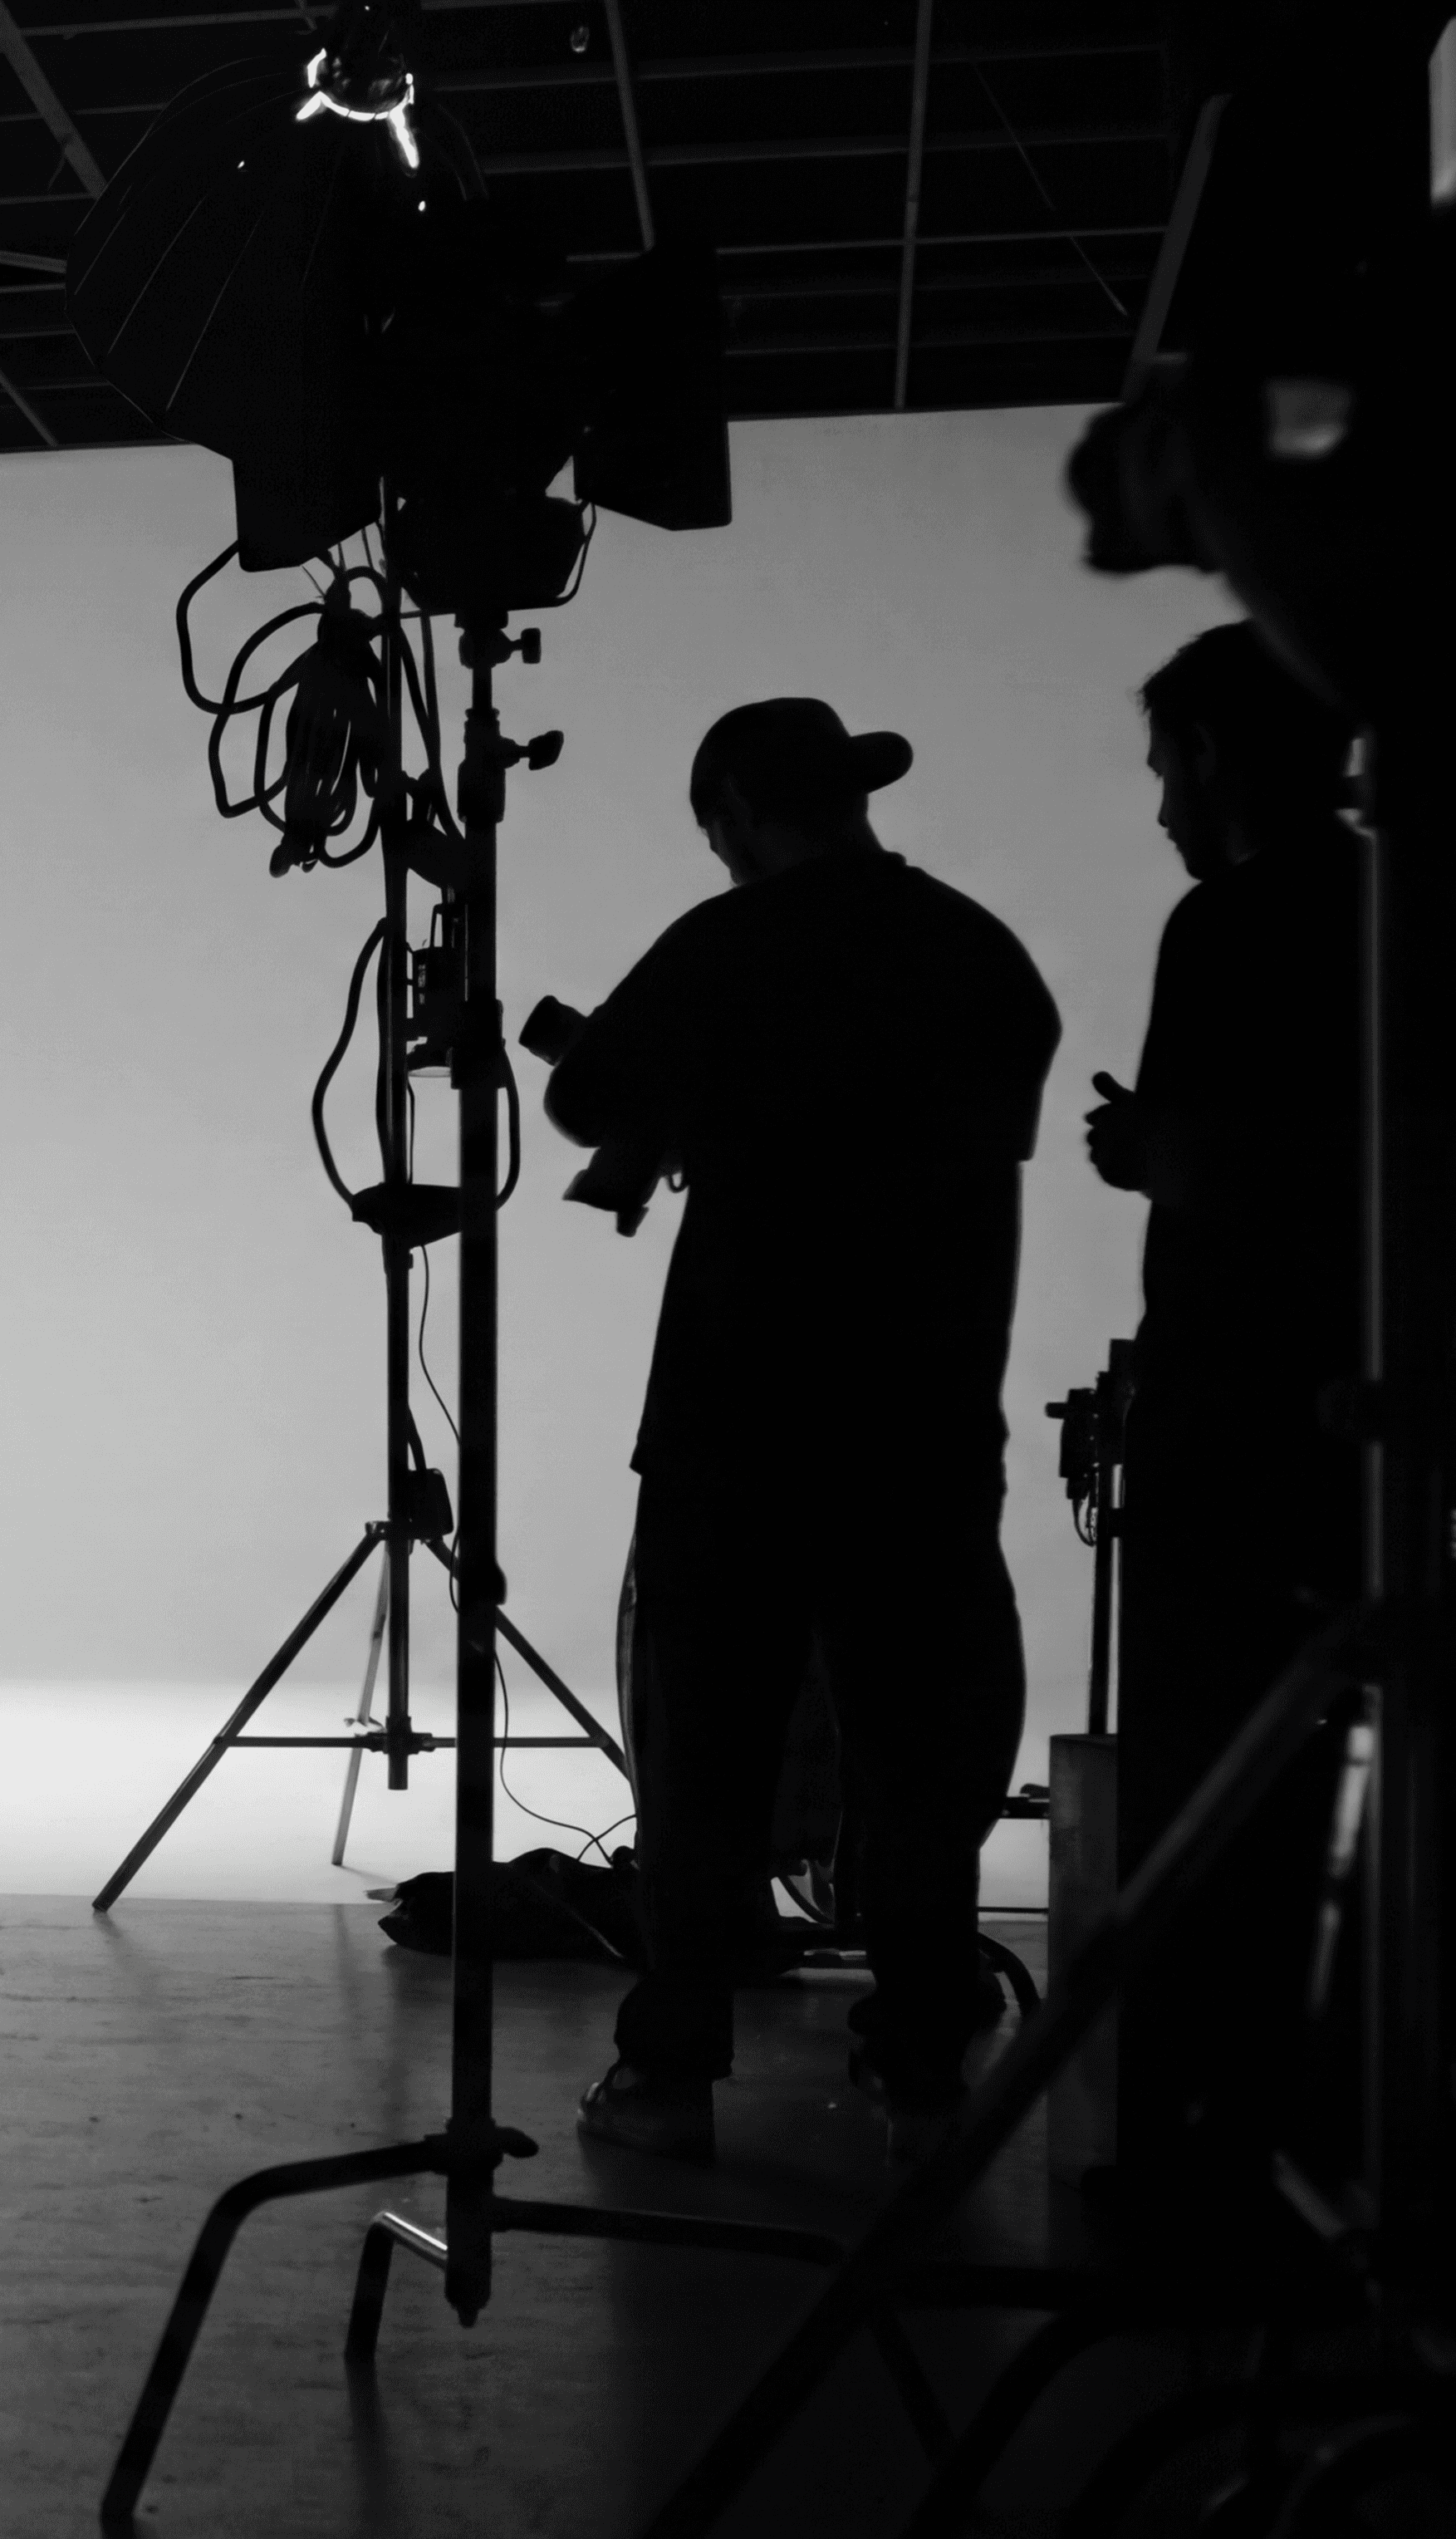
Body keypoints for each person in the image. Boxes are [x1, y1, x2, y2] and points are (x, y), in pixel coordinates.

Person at [542, 697, 1061, 2166]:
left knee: (701, 1759)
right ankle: (916, 2062)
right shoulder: (976, 954)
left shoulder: (724, 946)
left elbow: (586, 1093)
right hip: (921, 1419)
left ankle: (668, 2069)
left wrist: (703, 1102)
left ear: (736, 820)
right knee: (918, 1757)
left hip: (735, 1423)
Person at [1081, 623, 1362, 2217]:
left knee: (1202, 1775)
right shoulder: (1393, 910)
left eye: (1161, 768)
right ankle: (1308, 2127)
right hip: (1340, 1407)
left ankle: (1198, 2144)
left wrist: (1142, 1152)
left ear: (1210, 754)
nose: (1156, 809)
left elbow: (1206, 1165)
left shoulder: (1225, 925)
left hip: (1228, 1403)